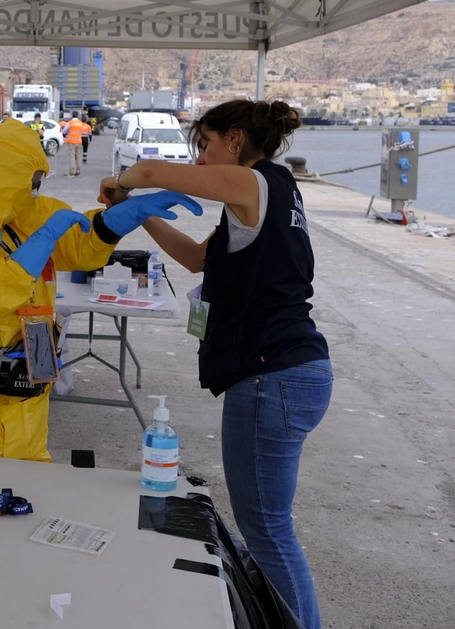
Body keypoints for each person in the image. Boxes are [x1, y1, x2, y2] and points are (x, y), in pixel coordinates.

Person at [100, 99, 329, 629]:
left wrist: (124, 182)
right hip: (291, 370)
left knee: (268, 530)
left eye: (203, 144)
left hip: (273, 376)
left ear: (235, 138)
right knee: (268, 525)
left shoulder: (254, 183)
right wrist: (140, 215)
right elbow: (200, 261)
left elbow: (154, 169)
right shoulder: (265, 197)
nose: (200, 159)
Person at [0, 121, 200, 463]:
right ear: (3, 176)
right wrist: (44, 238)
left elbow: (79, 242)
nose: (34, 193)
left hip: (23, 398)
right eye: (31, 184)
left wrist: (117, 219)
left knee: (23, 486)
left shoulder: (17, 211)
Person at [63, 113, 86, 177]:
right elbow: (82, 131)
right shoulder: (80, 123)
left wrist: (67, 132)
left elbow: (64, 131)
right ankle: (78, 171)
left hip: (72, 142)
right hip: (79, 141)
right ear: (78, 116)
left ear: (72, 116)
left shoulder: (70, 123)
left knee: (72, 156)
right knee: (78, 156)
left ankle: (72, 171)